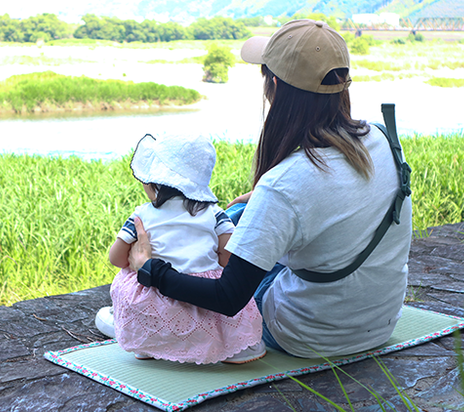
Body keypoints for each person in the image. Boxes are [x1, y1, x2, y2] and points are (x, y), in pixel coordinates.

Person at [124, 20, 413, 359]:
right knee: (238, 215)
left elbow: (228, 298)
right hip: (380, 321)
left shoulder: (286, 183)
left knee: (229, 222)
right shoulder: (381, 137)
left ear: (273, 85)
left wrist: (151, 270)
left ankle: (151, 320)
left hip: (307, 334)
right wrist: (264, 204)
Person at [95, 133, 265, 364]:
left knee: (126, 276)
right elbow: (228, 259)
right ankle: (234, 347)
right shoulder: (215, 214)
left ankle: (146, 343)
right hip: (206, 296)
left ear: (154, 181)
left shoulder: (141, 215)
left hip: (155, 304)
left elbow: (116, 258)